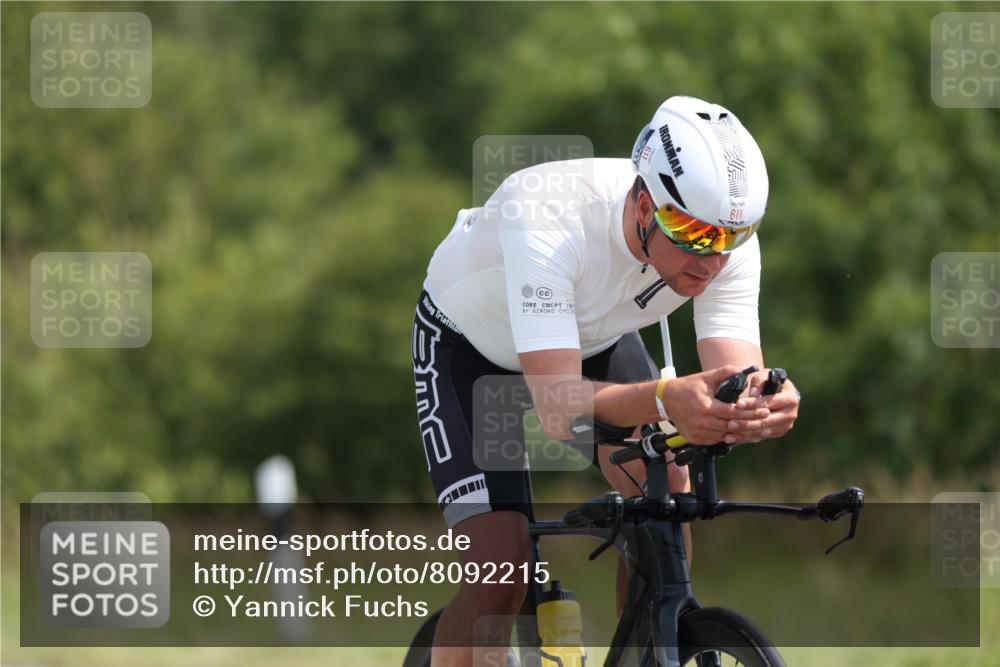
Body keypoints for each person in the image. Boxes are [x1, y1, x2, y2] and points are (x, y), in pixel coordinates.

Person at [411, 95, 800, 667]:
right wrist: (668, 397)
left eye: (731, 237)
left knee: (667, 488)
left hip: (594, 340)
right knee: (502, 565)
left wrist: (761, 403)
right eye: (692, 233)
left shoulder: (720, 237)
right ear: (644, 205)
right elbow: (558, 407)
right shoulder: (546, 215)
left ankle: (648, 644)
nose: (712, 260)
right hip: (468, 349)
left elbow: (739, 374)